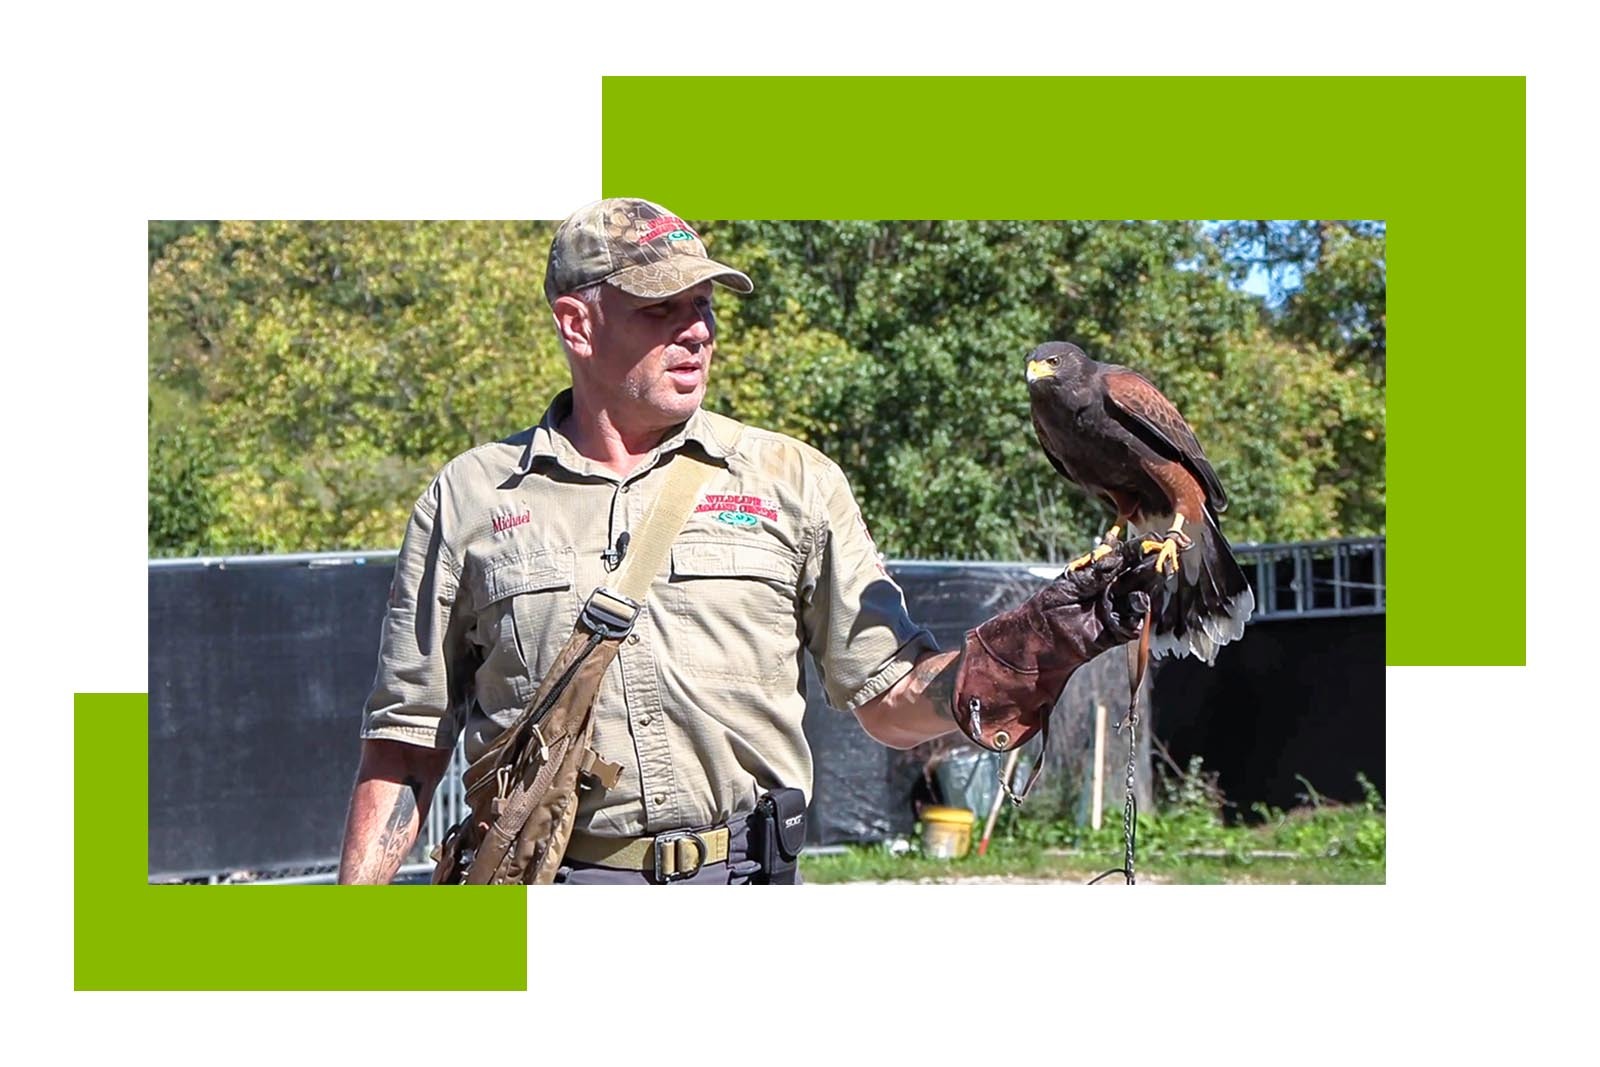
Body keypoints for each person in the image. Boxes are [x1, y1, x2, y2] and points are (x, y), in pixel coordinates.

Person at [336, 198, 1156, 884]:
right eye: (661, 306)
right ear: (576, 323)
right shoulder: (474, 496)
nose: (696, 331)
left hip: (745, 884)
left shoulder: (789, 480)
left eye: (705, 306)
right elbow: (405, 750)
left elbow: (889, 697)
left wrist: (1030, 648)